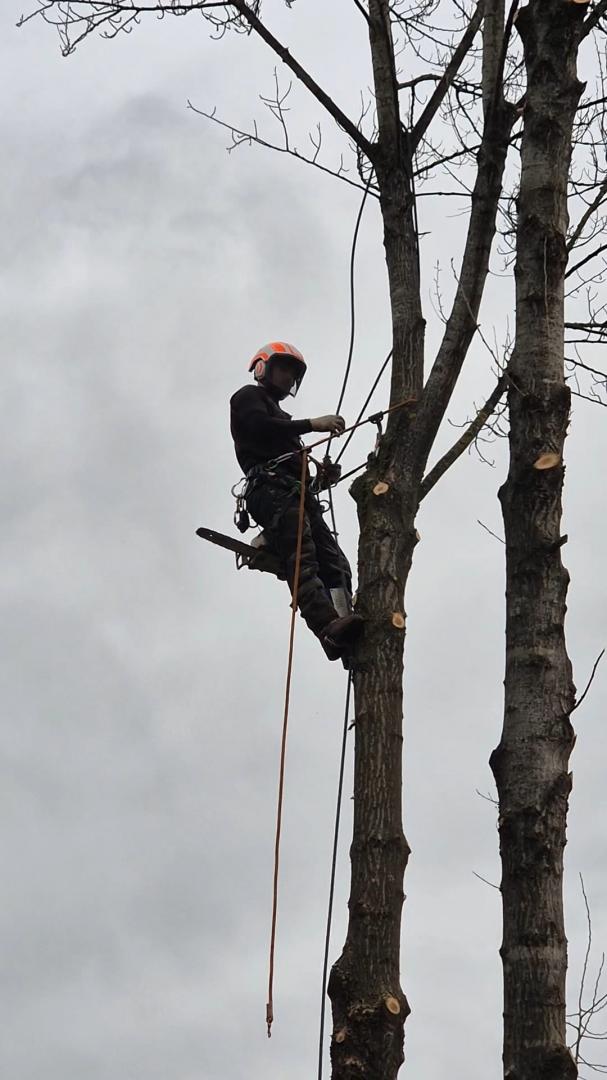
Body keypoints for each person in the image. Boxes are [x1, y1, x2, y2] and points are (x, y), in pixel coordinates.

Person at [230, 341, 363, 661]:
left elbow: (294, 466)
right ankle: (328, 628)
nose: (288, 379)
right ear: (262, 368)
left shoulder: (286, 427)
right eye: (284, 370)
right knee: (303, 557)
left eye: (293, 376)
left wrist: (321, 479)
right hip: (270, 492)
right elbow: (260, 428)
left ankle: (345, 619)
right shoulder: (248, 398)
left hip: (294, 494)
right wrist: (312, 424)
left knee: (336, 564)